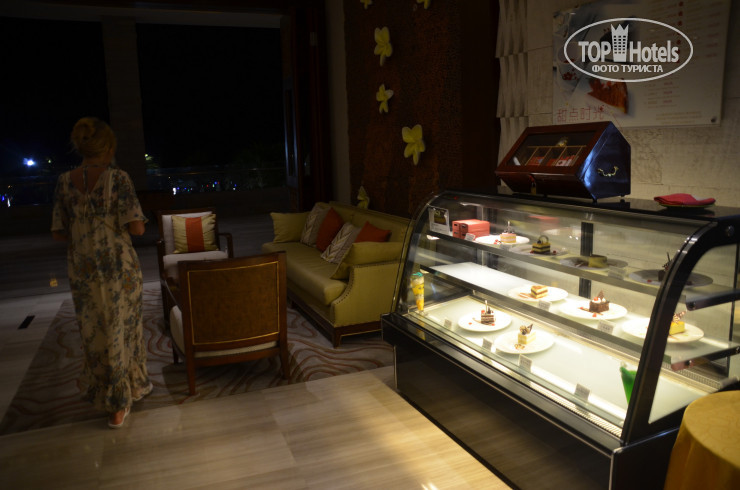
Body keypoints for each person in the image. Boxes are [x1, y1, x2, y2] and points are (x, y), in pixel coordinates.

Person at [51, 117, 152, 429]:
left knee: (95, 333)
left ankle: (113, 389)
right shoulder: (118, 179)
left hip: (83, 270)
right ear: (108, 148)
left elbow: (58, 232)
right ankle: (119, 402)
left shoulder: (64, 182)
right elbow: (137, 228)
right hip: (118, 268)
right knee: (123, 328)